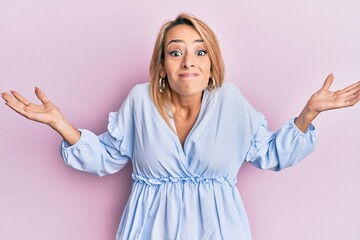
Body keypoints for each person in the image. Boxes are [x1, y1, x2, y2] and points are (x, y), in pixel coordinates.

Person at [2, 13, 360, 240]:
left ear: (211, 63)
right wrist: (59, 123)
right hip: (148, 229)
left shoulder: (232, 102)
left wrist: (308, 114)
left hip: (220, 230)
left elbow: (269, 154)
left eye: (200, 52)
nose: (189, 61)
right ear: (161, 65)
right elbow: (107, 157)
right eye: (176, 52)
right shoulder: (140, 101)